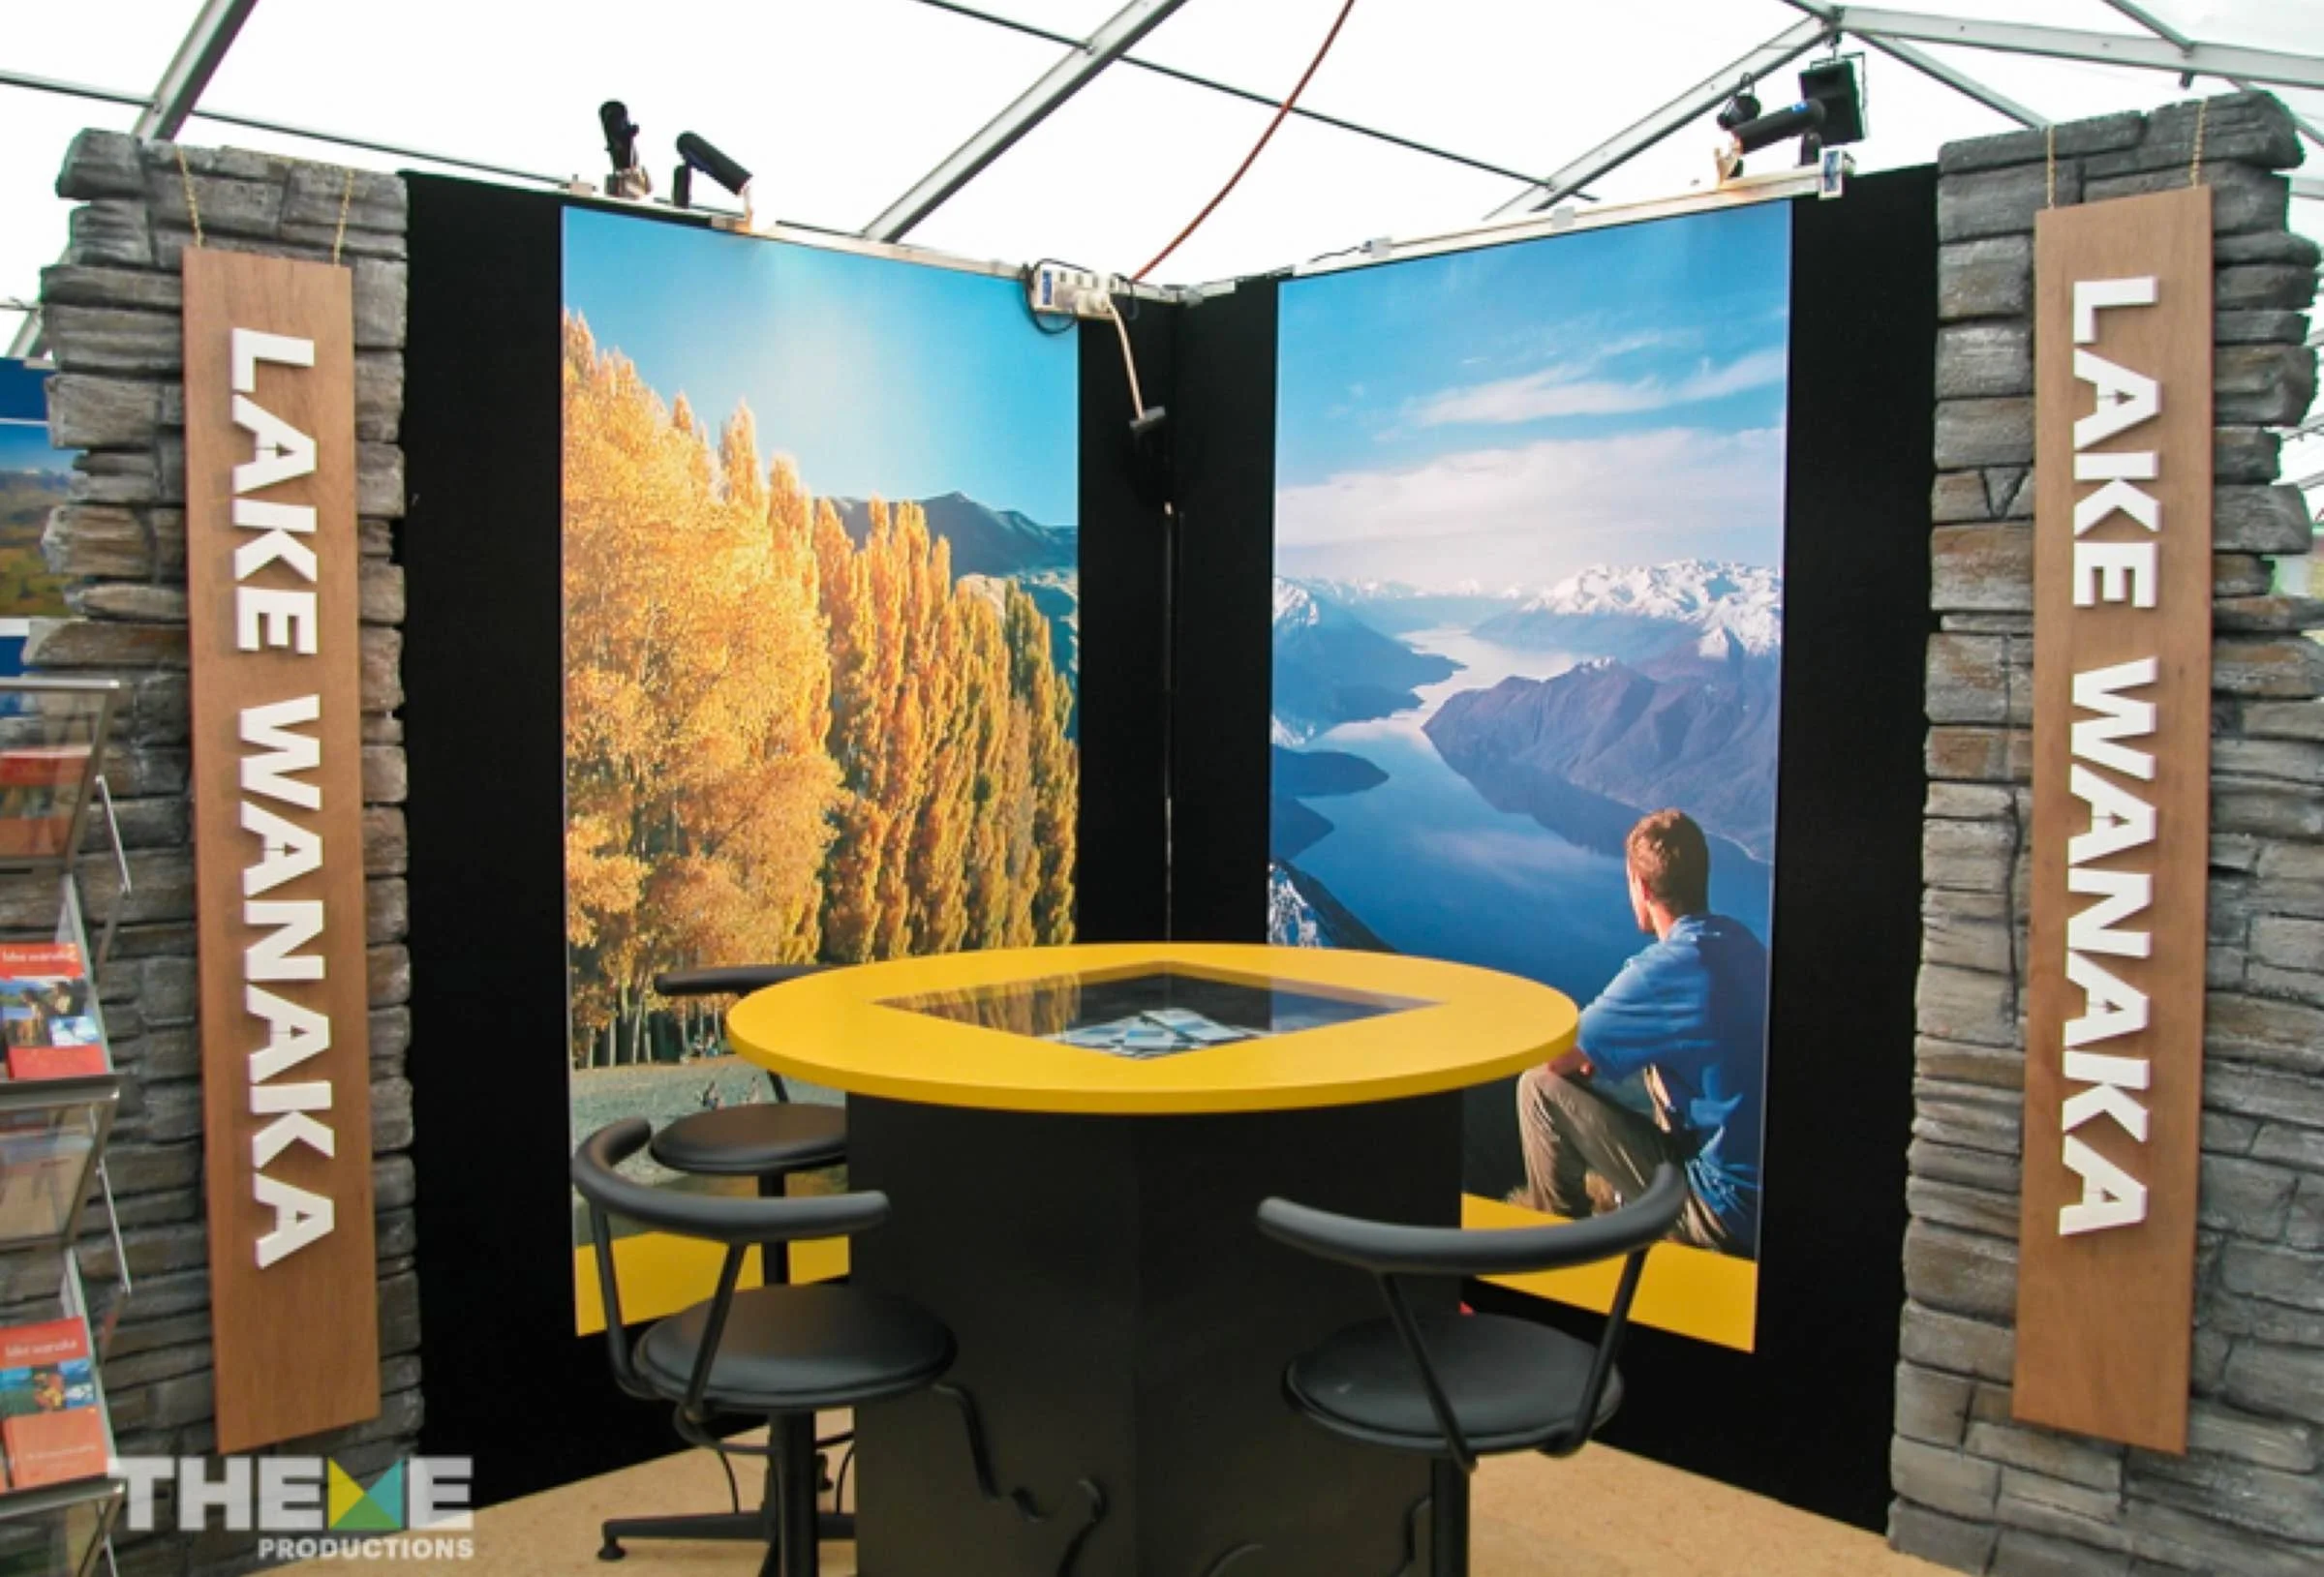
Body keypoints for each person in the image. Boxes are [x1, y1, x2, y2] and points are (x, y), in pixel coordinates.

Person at [1511, 808, 1766, 1258]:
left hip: (1721, 1211)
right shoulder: (1742, 942)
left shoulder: (1661, 974)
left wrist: (1592, 1057)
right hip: (1763, 1198)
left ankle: (1556, 1260)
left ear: (1641, 887)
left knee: (1538, 1090)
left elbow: (1559, 1062)